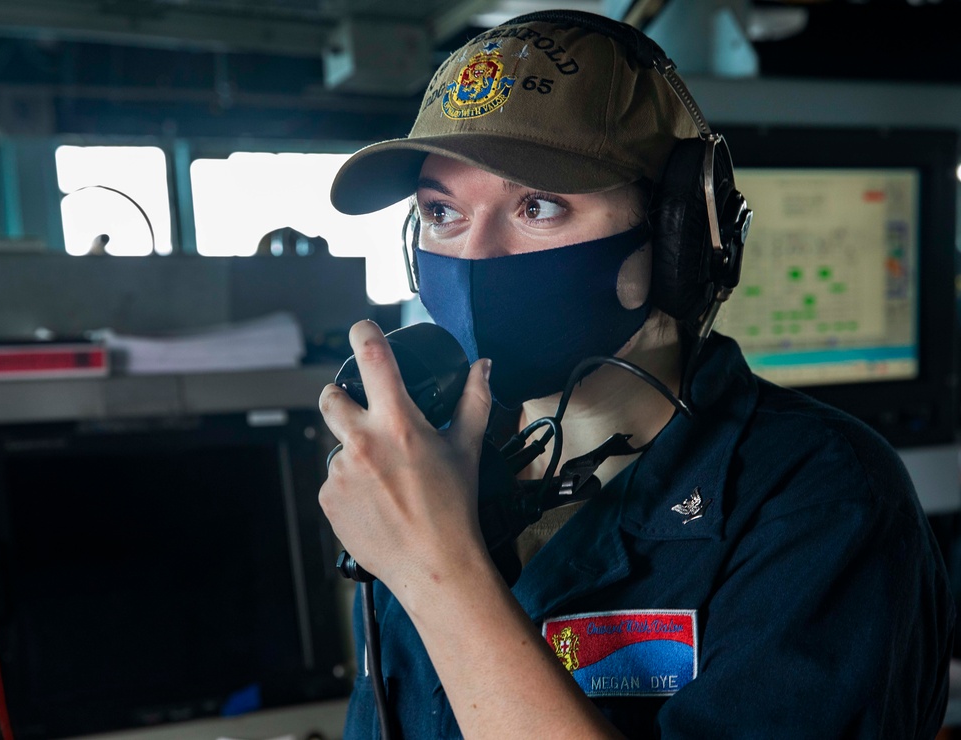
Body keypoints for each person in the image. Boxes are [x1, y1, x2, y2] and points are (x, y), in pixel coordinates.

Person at [318, 9, 955, 738]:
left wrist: (440, 571)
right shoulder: (428, 462)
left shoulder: (822, 500)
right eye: (442, 212)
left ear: (680, 233)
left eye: (539, 206)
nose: (475, 259)